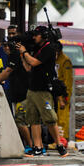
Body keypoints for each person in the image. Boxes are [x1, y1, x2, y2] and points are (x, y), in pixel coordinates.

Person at [17, 26, 68, 157]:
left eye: (36, 35)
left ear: (44, 36)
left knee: (50, 119)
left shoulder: (49, 48)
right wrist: (23, 55)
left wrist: (24, 52)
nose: (34, 37)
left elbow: (34, 62)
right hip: (32, 90)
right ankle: (37, 147)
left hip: (43, 91)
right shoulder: (37, 49)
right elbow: (28, 67)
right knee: (33, 120)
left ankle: (59, 145)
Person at [0, 26, 33, 153]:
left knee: (20, 120)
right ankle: (28, 144)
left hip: (23, 93)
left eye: (8, 45)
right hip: (15, 92)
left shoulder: (16, 54)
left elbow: (7, 71)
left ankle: (30, 145)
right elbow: (1, 69)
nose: (5, 48)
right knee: (17, 119)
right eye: (4, 45)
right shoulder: (7, 54)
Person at [55, 42, 73, 140]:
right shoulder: (54, 60)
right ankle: (56, 139)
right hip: (55, 93)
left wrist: (65, 96)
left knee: (62, 120)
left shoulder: (65, 61)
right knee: (55, 119)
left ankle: (63, 140)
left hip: (62, 94)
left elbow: (68, 81)